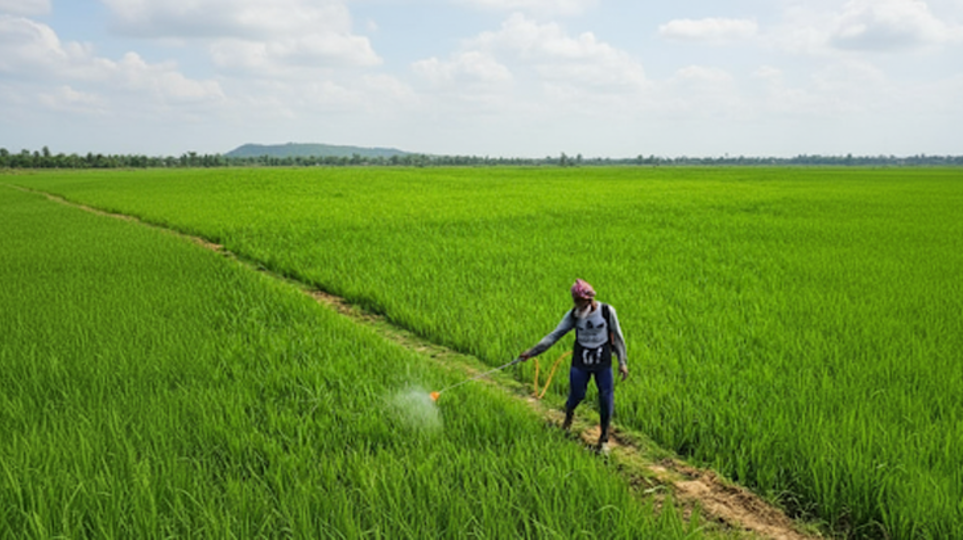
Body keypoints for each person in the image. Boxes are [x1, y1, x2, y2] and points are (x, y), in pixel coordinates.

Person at [520, 279, 628, 452]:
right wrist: (531, 352)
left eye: (580, 301)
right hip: (581, 360)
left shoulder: (607, 311)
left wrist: (622, 362)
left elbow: (618, 336)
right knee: (576, 395)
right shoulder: (573, 315)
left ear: (589, 299)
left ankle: (604, 439)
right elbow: (554, 335)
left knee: (606, 398)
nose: (577, 305)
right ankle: (568, 417)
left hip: (602, 361)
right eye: (575, 301)